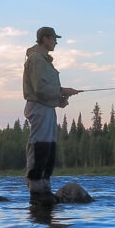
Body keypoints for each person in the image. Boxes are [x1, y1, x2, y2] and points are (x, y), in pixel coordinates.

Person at [22, 26, 80, 206]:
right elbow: (39, 88)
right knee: (40, 145)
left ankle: (44, 187)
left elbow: (46, 90)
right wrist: (62, 91)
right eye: (54, 39)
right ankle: (36, 190)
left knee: (49, 146)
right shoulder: (37, 60)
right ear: (45, 39)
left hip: (46, 107)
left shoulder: (44, 60)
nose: (56, 42)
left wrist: (60, 99)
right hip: (39, 108)